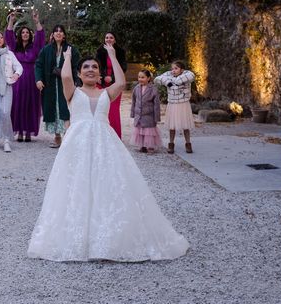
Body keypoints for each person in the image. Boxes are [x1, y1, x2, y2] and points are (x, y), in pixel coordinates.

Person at [28, 46, 189, 262]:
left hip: (106, 144)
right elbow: (65, 75)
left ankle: (107, 237)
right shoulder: (73, 92)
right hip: (78, 145)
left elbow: (121, 83)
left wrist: (112, 56)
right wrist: (67, 57)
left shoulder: (106, 92)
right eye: (86, 67)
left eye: (94, 66)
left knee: (108, 185)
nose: (91, 70)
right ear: (79, 73)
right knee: (77, 186)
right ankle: (79, 238)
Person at [35, 25, 80, 148]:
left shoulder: (71, 49)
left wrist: (77, 82)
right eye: (56, 31)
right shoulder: (46, 50)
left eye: (61, 31)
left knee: (66, 108)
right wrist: (38, 79)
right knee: (53, 109)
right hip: (50, 85)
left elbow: (77, 66)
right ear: (53, 35)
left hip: (65, 84)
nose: (58, 33)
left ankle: (69, 137)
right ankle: (57, 137)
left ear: (64, 35)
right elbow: (38, 65)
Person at [5, 10, 45, 142]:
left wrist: (36, 21)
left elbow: (41, 36)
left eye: (27, 32)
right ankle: (20, 131)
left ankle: (28, 131)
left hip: (31, 78)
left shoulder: (35, 47)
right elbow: (8, 36)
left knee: (31, 104)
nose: (25, 34)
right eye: (23, 32)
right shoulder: (15, 47)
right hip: (18, 79)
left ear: (30, 35)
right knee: (18, 104)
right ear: (20, 35)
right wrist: (11, 20)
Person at [154, 60, 195, 154]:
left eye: (176, 68)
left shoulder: (187, 76)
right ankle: (171, 143)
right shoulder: (168, 75)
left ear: (182, 69)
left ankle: (188, 143)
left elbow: (191, 76)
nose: (173, 70)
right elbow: (157, 79)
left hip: (183, 104)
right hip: (172, 104)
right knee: (172, 126)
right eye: (172, 68)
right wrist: (167, 82)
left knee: (186, 126)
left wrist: (173, 81)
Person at [96, 32, 128, 138]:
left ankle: (115, 136)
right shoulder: (99, 51)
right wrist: (103, 76)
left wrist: (112, 78)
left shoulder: (120, 52)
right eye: (106, 37)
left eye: (111, 37)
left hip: (115, 83)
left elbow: (123, 67)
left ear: (115, 40)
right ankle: (102, 136)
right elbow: (97, 66)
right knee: (103, 109)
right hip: (102, 84)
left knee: (114, 110)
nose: (108, 39)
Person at [131, 70, 162, 153]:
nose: (140, 79)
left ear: (148, 78)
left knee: (149, 131)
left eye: (143, 77)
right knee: (140, 130)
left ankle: (150, 146)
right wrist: (133, 113)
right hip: (139, 114)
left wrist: (157, 117)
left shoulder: (153, 89)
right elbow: (134, 101)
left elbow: (156, 104)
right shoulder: (136, 88)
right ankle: (142, 145)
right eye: (139, 77)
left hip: (149, 115)